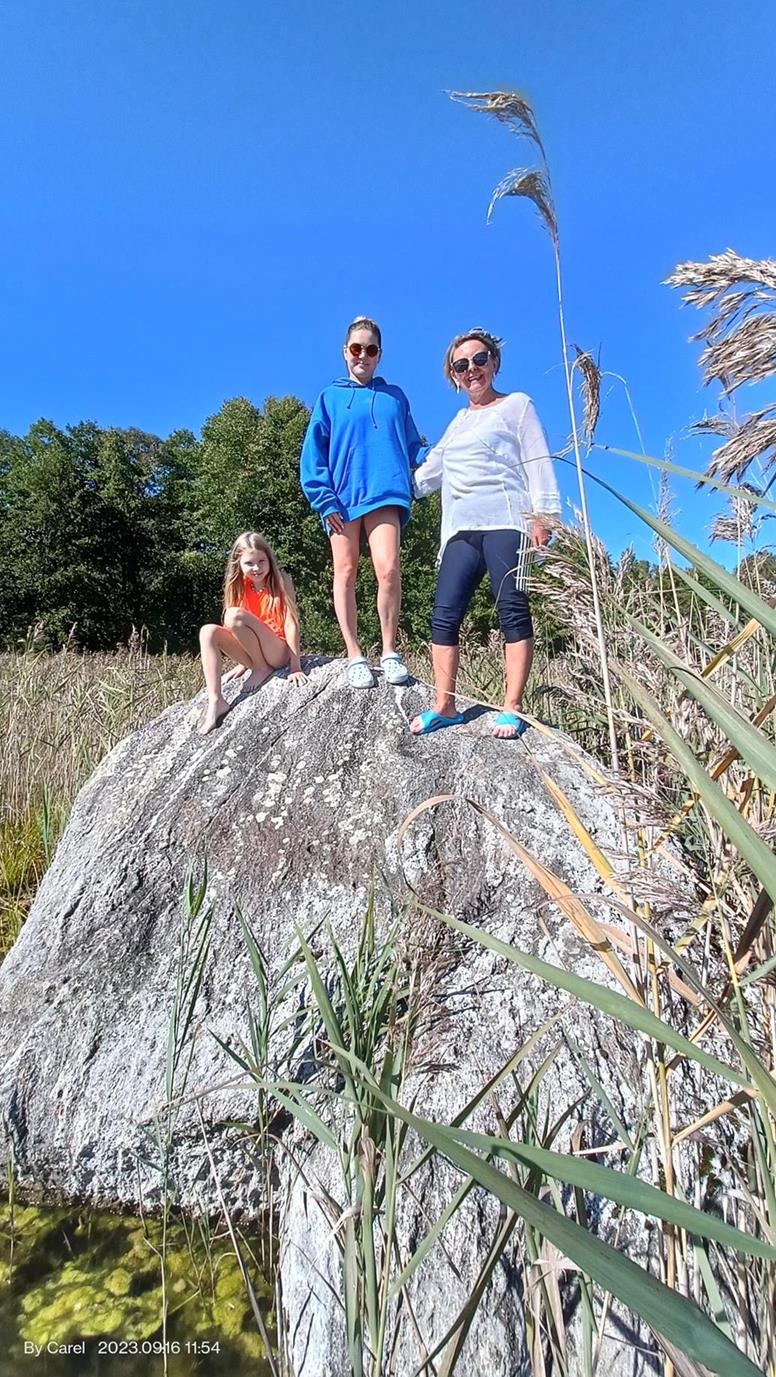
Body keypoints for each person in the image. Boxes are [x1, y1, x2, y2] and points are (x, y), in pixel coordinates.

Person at [410, 329, 561, 740]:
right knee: (444, 615)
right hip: (461, 529)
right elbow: (427, 475)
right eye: (461, 365)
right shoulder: (458, 423)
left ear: (494, 362)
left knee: (512, 607)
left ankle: (513, 706)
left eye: (479, 360)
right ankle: (445, 705)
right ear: (453, 376)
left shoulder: (517, 405)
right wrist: (388, 482)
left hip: (507, 521)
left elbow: (538, 458)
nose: (471, 370)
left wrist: (544, 516)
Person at [300, 315, 424, 688]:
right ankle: (354, 654)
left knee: (388, 570)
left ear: (379, 355)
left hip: (386, 492)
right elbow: (313, 455)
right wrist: (324, 499)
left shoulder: (395, 397)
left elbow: (414, 446)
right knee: (345, 570)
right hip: (341, 498)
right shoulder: (330, 397)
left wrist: (441, 459)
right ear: (345, 352)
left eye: (371, 350)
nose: (363, 356)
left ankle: (389, 651)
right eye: (357, 348)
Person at [197, 531, 306, 735]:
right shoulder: (238, 585)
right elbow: (238, 631)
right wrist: (242, 663)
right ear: (238, 564)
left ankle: (262, 668)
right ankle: (216, 700)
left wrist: (295, 665)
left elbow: (291, 623)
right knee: (207, 632)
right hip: (255, 653)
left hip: (277, 650)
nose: (256, 568)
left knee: (233, 615)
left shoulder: (281, 580)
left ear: (269, 559)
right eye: (249, 563)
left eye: (261, 561)